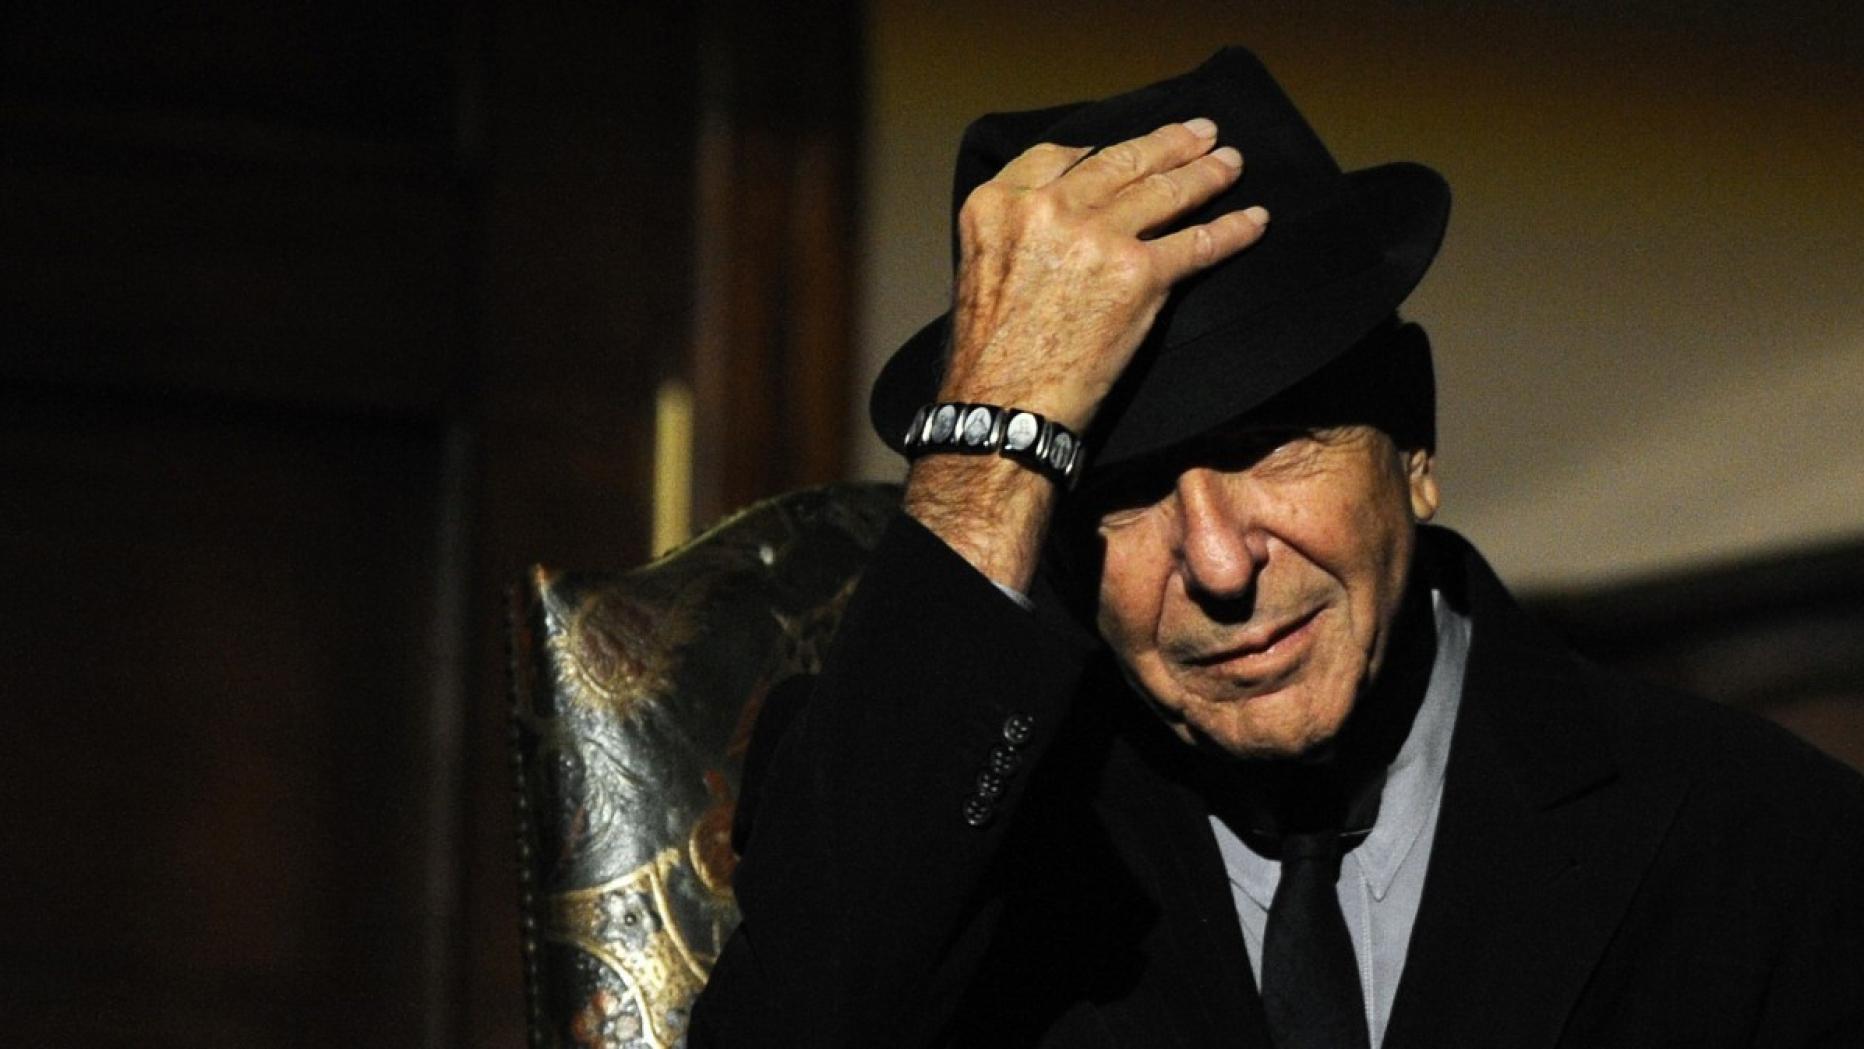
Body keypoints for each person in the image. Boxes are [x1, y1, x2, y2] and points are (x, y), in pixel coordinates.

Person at [689, 47, 1864, 1048]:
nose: (1217, 565)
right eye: (1120, 492)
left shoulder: (1759, 834)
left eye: (1266, 446)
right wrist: (993, 444)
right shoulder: (937, 825)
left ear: (1413, 440)